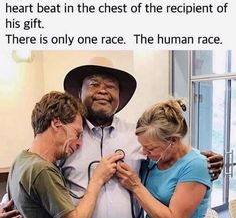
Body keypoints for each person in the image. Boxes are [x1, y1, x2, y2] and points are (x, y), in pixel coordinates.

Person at [62, 58, 223, 218]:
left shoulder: (135, 135)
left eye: (111, 86)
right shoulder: (66, 139)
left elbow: (175, 156)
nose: (103, 90)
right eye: (94, 84)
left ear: (119, 95)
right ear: (79, 92)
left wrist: (205, 161)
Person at [7, 91, 123, 218]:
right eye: (77, 134)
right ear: (56, 123)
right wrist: (97, 180)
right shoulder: (42, 170)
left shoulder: (21, 160)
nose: (79, 143)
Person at [116, 98, 212, 218]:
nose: (145, 153)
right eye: (142, 146)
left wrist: (136, 186)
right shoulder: (154, 160)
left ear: (173, 140)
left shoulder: (196, 165)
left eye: (151, 148)